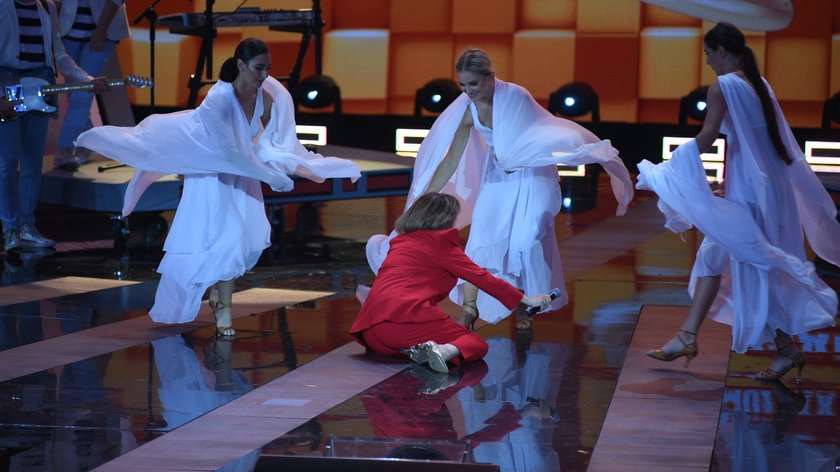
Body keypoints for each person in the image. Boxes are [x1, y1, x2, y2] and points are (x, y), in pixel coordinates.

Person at [75, 38, 361, 337]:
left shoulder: (268, 93)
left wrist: (299, 166)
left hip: (241, 175)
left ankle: (220, 298)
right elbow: (229, 153)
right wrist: (269, 176)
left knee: (236, 241)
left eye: (268, 68)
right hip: (211, 175)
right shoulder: (219, 100)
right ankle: (223, 308)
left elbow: (264, 140)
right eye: (259, 68)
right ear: (241, 65)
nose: (265, 75)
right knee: (218, 240)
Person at [366, 49, 634, 332]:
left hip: (531, 177)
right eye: (463, 85)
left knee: (524, 243)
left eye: (474, 83)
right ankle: (470, 309)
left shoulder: (516, 96)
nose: (468, 91)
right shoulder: (468, 110)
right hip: (497, 179)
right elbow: (451, 159)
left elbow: (539, 134)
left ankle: (524, 306)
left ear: (490, 77)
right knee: (482, 238)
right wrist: (424, 198)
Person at [638, 22, 840, 383]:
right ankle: (699, 337)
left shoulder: (725, 86)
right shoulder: (758, 83)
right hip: (765, 190)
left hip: (752, 194)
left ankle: (697, 337)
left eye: (708, 54)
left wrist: (667, 168)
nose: (707, 62)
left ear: (720, 50)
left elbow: (708, 137)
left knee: (752, 264)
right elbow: (755, 146)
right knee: (725, 259)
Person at [350, 192, 553, 374]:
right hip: (402, 326)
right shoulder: (441, 242)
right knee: (475, 343)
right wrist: (526, 300)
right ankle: (443, 350)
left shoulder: (400, 242)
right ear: (446, 218)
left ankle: (422, 349)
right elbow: (481, 277)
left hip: (371, 334)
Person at [1, 0, 109, 252]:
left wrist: (88, 80)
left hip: (40, 88)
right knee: (6, 163)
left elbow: (59, 55)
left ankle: (27, 226)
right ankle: (9, 228)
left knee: (32, 164)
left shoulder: (46, 6)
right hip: (7, 89)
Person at [53, 0, 130, 170]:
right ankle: (88, 143)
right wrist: (52, 30)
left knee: (84, 90)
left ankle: (66, 148)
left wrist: (101, 29)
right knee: (74, 92)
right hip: (67, 30)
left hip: (103, 30)